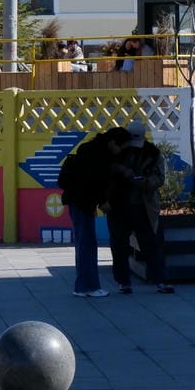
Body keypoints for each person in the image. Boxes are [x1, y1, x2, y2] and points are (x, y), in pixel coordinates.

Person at [58, 126, 127, 297]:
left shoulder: (90, 149)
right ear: (112, 142)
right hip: (82, 202)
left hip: (77, 201)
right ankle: (88, 287)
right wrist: (103, 202)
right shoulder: (98, 156)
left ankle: (84, 285)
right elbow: (92, 183)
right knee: (87, 244)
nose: (121, 150)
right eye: (121, 146)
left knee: (84, 243)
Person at [106, 120, 172, 294]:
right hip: (119, 205)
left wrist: (146, 183)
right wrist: (121, 170)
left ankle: (161, 279)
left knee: (150, 244)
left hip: (143, 206)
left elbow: (160, 178)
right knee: (119, 246)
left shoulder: (153, 153)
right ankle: (123, 281)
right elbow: (106, 170)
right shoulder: (116, 151)